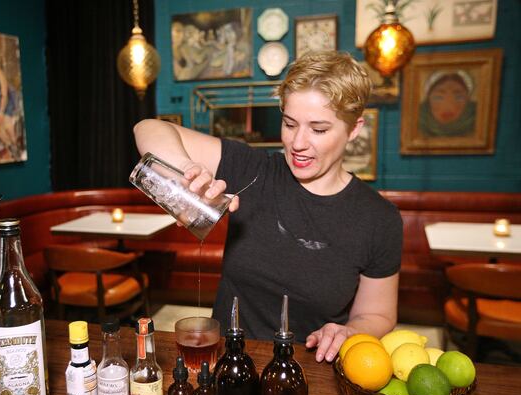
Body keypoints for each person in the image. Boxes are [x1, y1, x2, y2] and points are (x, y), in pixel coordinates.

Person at [134, 51, 402, 363]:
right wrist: (186, 170)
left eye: (318, 129)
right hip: (229, 363)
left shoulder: (379, 219)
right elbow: (147, 128)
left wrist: (352, 331)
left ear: (354, 129)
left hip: (308, 371)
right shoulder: (253, 170)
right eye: (289, 124)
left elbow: (377, 313)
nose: (298, 143)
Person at [418, 71, 476, 137]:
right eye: (438, 97)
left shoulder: (476, 124)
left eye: (459, 97)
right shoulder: (418, 124)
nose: (448, 106)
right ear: (428, 100)